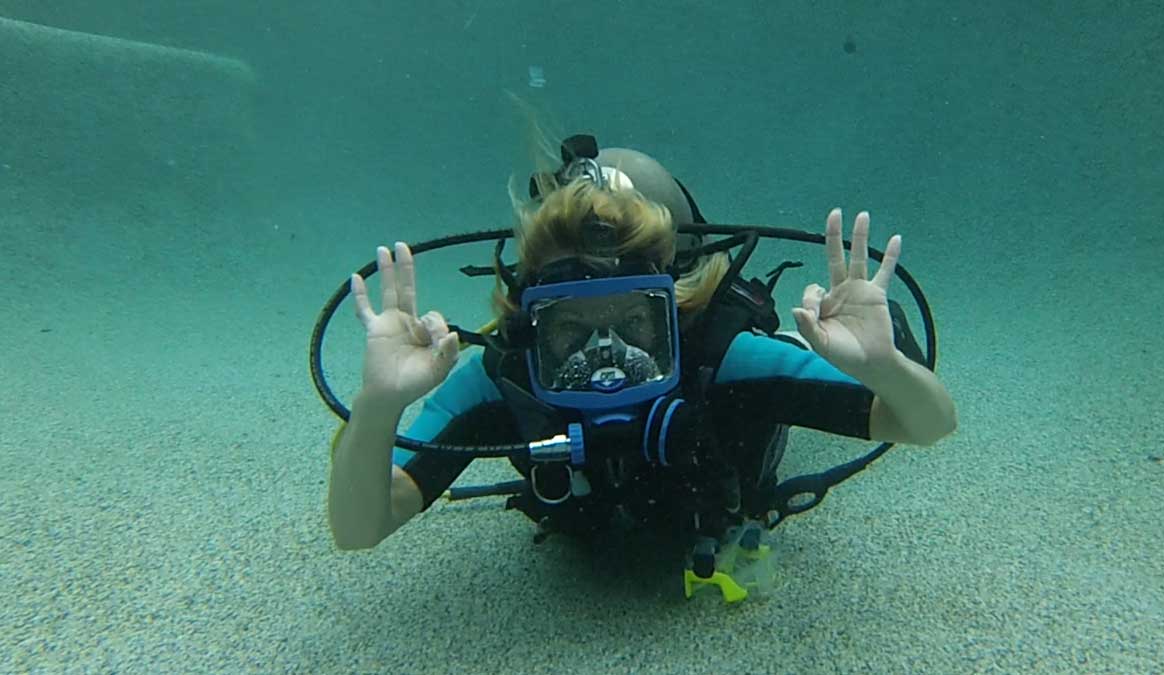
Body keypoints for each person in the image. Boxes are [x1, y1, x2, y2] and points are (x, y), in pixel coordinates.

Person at [326, 137, 957, 596]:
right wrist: (378, 405)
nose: (605, 353)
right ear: (529, 318)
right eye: (570, 327)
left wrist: (883, 366)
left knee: (889, 365)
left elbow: (925, 423)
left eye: (634, 322)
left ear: (677, 308)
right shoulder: (505, 376)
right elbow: (361, 527)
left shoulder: (721, 356)